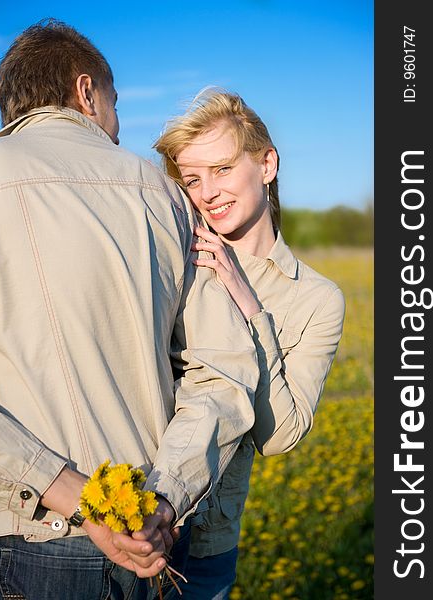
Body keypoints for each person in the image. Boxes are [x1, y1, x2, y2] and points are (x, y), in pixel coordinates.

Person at [0, 23, 261, 600]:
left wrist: (73, 493)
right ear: (87, 91)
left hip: (25, 536)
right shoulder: (164, 194)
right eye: (114, 105)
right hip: (155, 541)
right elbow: (224, 371)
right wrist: (162, 499)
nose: (118, 125)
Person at [154, 88, 346, 599]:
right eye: (192, 179)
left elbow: (278, 434)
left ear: (267, 164)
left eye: (221, 169)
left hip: (205, 551)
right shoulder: (169, 261)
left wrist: (251, 310)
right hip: (119, 524)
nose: (207, 191)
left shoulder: (317, 299)